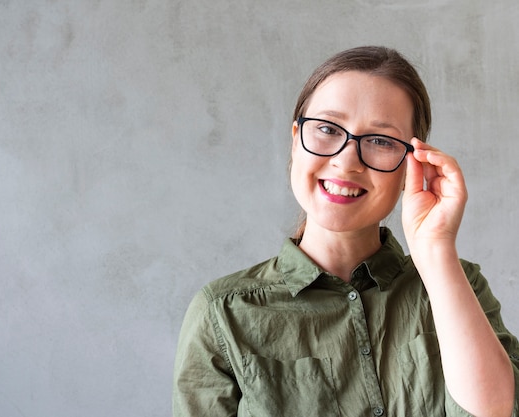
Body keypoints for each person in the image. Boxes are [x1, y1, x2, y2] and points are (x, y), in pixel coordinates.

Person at [172, 46, 519, 416]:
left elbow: (497, 411)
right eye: (326, 129)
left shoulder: (459, 284)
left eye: (381, 141)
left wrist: (435, 248)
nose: (346, 161)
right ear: (295, 139)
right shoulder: (223, 311)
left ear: (411, 165)